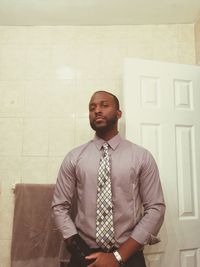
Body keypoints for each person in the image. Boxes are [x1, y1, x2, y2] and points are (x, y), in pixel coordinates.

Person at [52, 90, 165, 267]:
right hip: (84, 255)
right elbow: (59, 206)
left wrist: (118, 256)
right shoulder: (74, 158)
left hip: (129, 255)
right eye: (92, 107)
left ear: (119, 114)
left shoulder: (142, 157)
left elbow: (155, 208)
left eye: (104, 105)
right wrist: (76, 247)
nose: (97, 110)